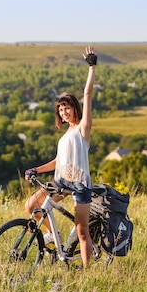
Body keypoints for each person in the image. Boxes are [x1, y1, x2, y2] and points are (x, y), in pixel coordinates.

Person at [24, 45, 97, 268]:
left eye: (67, 108)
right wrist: (36, 169)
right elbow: (58, 162)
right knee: (31, 206)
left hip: (80, 185)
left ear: (75, 109)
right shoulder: (65, 136)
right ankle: (49, 236)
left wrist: (92, 67)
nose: (64, 112)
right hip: (61, 181)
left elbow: (87, 93)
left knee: (83, 232)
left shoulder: (82, 129)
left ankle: (88, 273)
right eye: (61, 110)